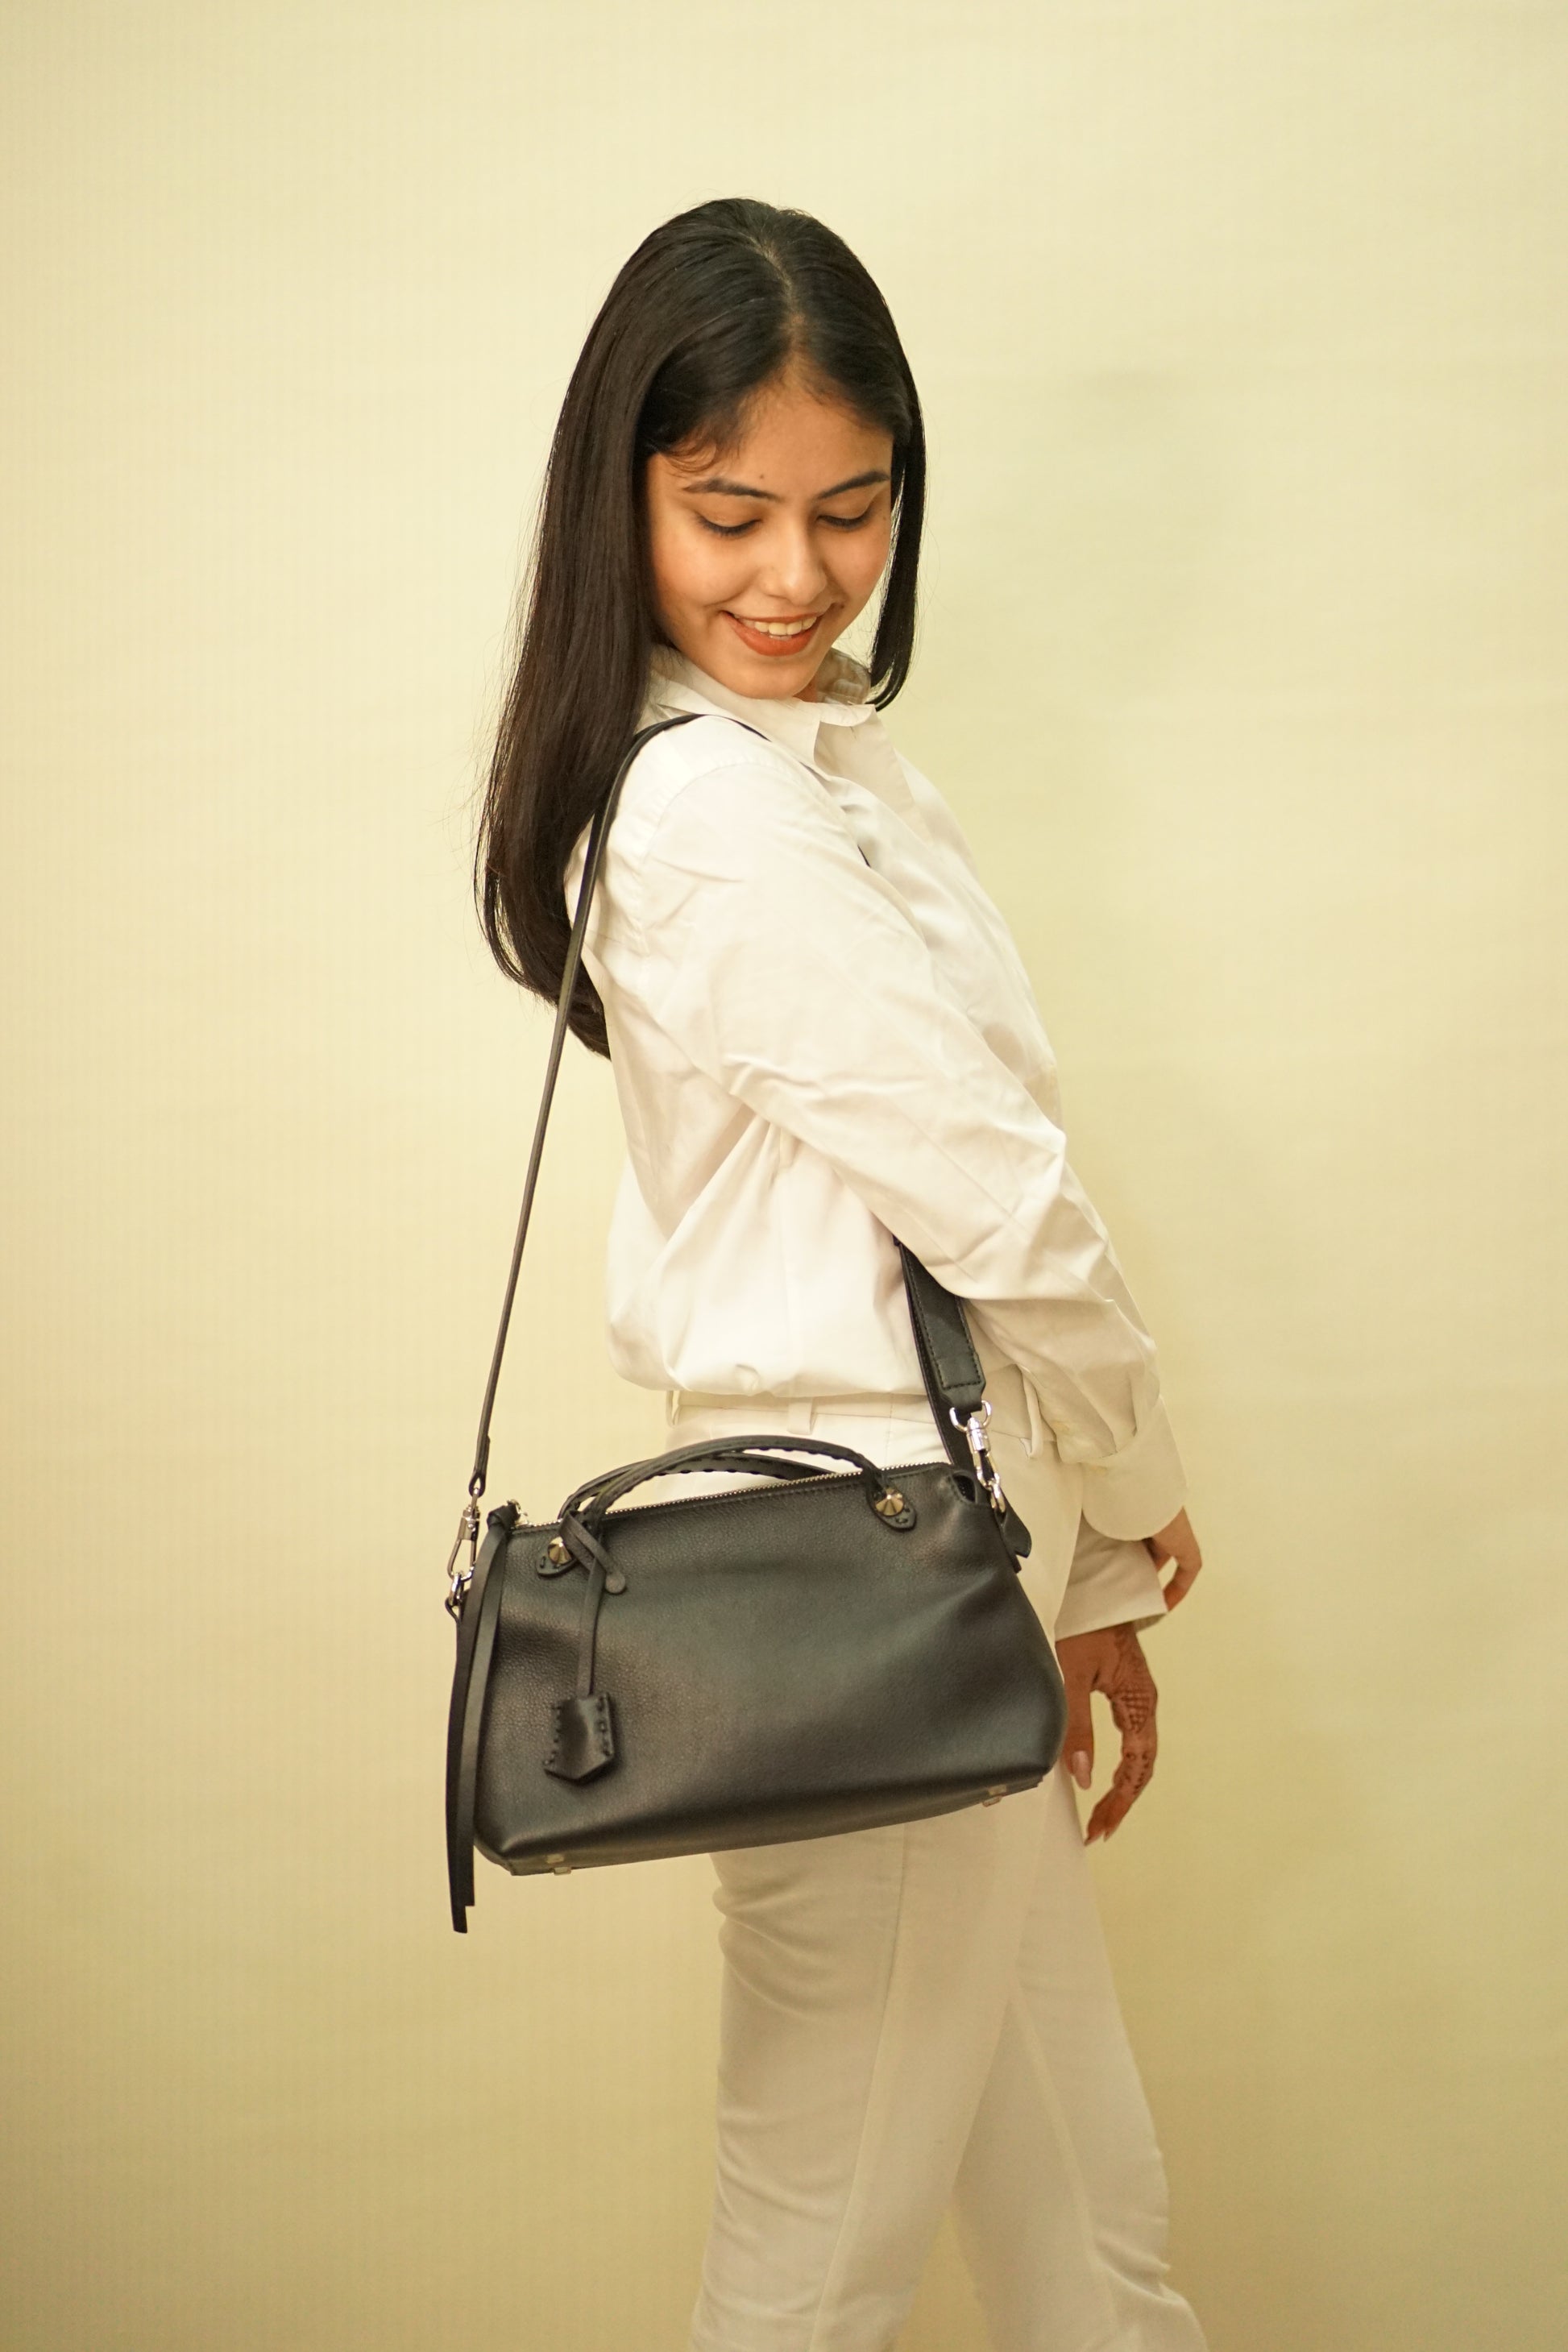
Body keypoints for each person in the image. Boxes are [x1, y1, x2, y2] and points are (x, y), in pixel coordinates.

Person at [476, 196, 1209, 2352]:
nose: (793, 576)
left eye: (851, 509)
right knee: (809, 2280)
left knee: (1091, 2235)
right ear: (622, 502)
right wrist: (1137, 1494)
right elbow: (994, 1202)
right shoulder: (714, 815)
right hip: (862, 1563)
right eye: (727, 515)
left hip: (932, 1547)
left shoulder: (820, 772)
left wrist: (1078, 1567)